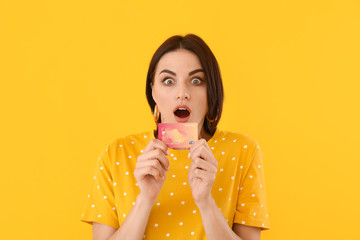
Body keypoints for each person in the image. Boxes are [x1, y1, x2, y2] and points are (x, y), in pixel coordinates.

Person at [80, 34, 270, 240]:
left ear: (211, 92)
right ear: (153, 91)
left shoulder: (243, 151)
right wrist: (145, 199)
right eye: (168, 81)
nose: (182, 93)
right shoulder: (117, 154)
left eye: (196, 80)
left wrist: (206, 203)